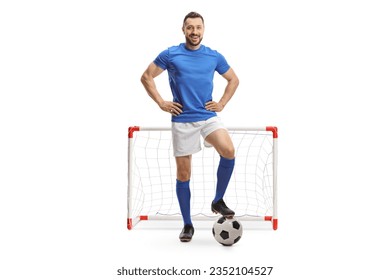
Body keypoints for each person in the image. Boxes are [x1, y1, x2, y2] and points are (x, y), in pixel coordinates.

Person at [140, 11, 239, 242]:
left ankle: (218, 200)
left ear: (203, 30)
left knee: (229, 150)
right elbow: (146, 77)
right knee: (184, 175)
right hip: (182, 120)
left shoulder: (213, 56)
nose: (194, 32)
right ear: (183, 30)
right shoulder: (170, 54)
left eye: (198, 28)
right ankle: (187, 225)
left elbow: (234, 79)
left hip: (207, 116)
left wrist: (222, 103)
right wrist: (161, 103)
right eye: (190, 28)